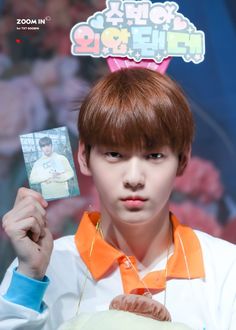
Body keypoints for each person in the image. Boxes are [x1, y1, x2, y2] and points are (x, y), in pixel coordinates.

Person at [0, 68, 235, 330]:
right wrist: (30, 277)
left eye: (154, 156)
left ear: (183, 160)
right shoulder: (45, 267)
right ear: (83, 157)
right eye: (114, 154)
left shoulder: (225, 269)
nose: (134, 178)